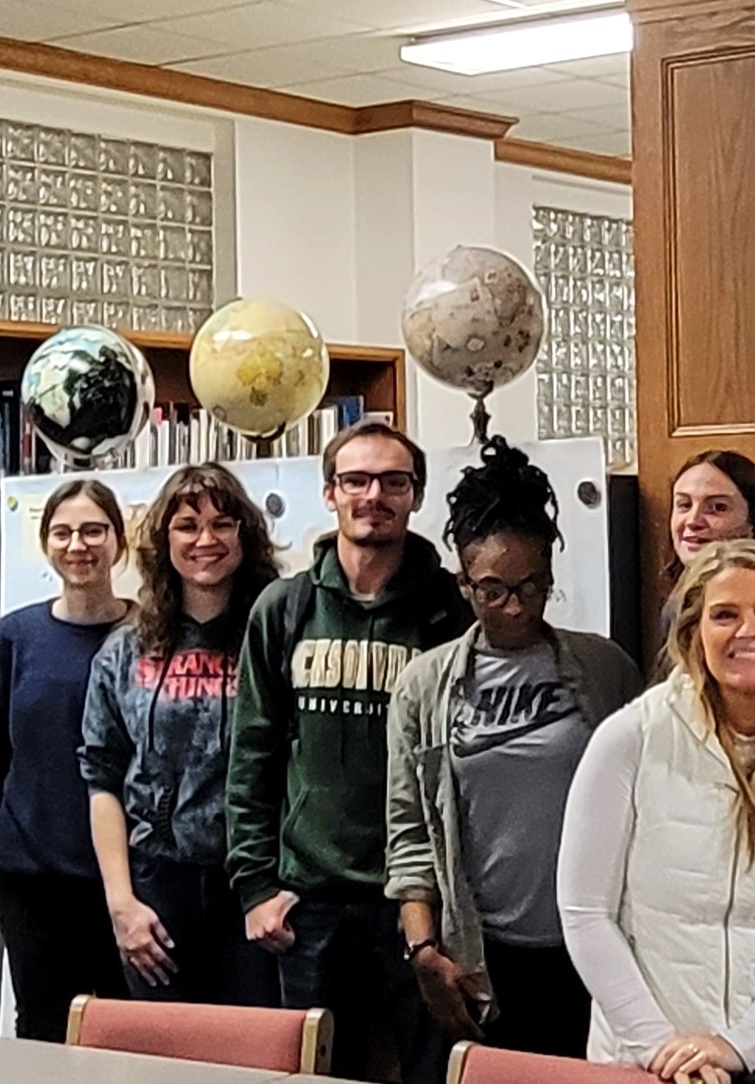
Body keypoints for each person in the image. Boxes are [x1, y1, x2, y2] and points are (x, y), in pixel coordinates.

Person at [560, 539, 755, 1084]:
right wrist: (663, 1050)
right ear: (693, 633)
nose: (749, 630)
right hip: (646, 1060)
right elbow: (586, 913)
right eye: (725, 615)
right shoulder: (631, 737)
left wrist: (739, 1046)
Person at [230, 420, 472, 1082]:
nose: (374, 495)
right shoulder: (283, 608)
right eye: (357, 480)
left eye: (393, 482)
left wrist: (444, 901)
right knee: (311, 1074)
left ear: (415, 495)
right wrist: (256, 886)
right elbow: (251, 752)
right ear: (330, 492)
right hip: (306, 902)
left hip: (415, 903)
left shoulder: (450, 609)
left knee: (434, 1071)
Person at [387, 439, 645, 1062]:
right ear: (463, 583)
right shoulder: (425, 686)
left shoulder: (603, 669)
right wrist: (425, 952)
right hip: (483, 952)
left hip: (594, 946)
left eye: (534, 585)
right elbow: (409, 832)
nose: (516, 606)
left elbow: (647, 806)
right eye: (492, 590)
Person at [83, 464, 283, 1006]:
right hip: (157, 885)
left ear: (245, 533)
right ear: (163, 540)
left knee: (255, 1057)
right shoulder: (125, 650)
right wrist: (121, 901)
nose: (205, 540)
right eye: (187, 525)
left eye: (222, 524)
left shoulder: (277, 636)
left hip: (254, 883)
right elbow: (101, 777)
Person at [0, 480, 133, 1038]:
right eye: (62, 533)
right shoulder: (13, 639)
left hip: (132, 879)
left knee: (128, 1030)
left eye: (94, 530)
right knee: (42, 1030)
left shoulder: (149, 634)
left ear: (120, 540)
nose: (78, 545)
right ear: (46, 544)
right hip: (33, 878)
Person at [660, 448, 755, 654]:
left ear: (752, 523)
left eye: (717, 508)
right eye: (684, 505)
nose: (693, 521)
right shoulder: (676, 604)